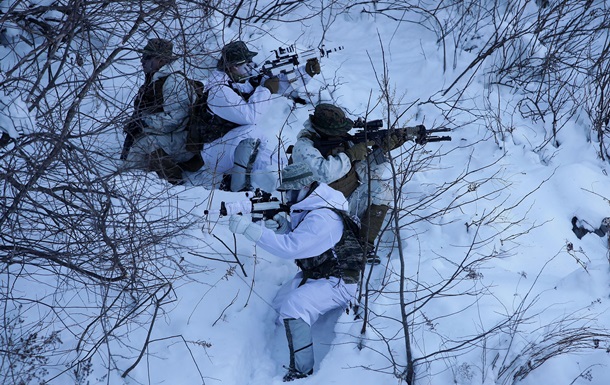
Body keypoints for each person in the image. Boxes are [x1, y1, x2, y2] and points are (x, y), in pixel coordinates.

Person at [228, 163, 363, 381]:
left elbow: (291, 248)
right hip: (319, 274)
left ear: (306, 186)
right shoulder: (311, 204)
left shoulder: (323, 217)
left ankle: (301, 371)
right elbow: (303, 238)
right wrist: (284, 226)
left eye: (291, 191)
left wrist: (249, 230)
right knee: (277, 308)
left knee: (295, 306)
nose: (288, 197)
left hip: (341, 280)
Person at [291, 103, 418, 262]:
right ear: (323, 130)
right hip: (320, 210)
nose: (341, 134)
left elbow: (363, 174)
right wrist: (351, 154)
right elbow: (323, 173)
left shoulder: (342, 141)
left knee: (382, 191)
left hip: (347, 199)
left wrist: (382, 149)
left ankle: (365, 246)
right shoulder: (304, 147)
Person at [199, 40, 321, 192]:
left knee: (274, 157)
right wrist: (266, 90)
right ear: (234, 66)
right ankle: (244, 186)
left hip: (235, 142)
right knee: (255, 137)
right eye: (246, 63)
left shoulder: (238, 80)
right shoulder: (218, 91)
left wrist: (305, 72)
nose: (250, 66)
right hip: (215, 152)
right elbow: (250, 116)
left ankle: (295, 182)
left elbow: (281, 86)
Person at [123, 38, 201, 185]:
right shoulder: (154, 79)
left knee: (146, 143)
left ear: (161, 60)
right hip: (171, 135)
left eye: (147, 57)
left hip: (185, 141)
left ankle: (173, 182)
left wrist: (144, 121)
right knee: (137, 150)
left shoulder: (174, 81)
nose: (142, 61)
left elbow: (176, 121)